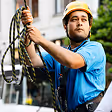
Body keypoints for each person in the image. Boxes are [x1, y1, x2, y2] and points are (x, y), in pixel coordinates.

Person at [21, 1, 106, 112]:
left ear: (89, 26)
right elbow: (31, 60)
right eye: (74, 19)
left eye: (84, 20)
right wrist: (28, 29)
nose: (80, 23)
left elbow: (73, 61)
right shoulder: (59, 55)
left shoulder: (95, 48)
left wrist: (40, 40)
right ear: (65, 26)